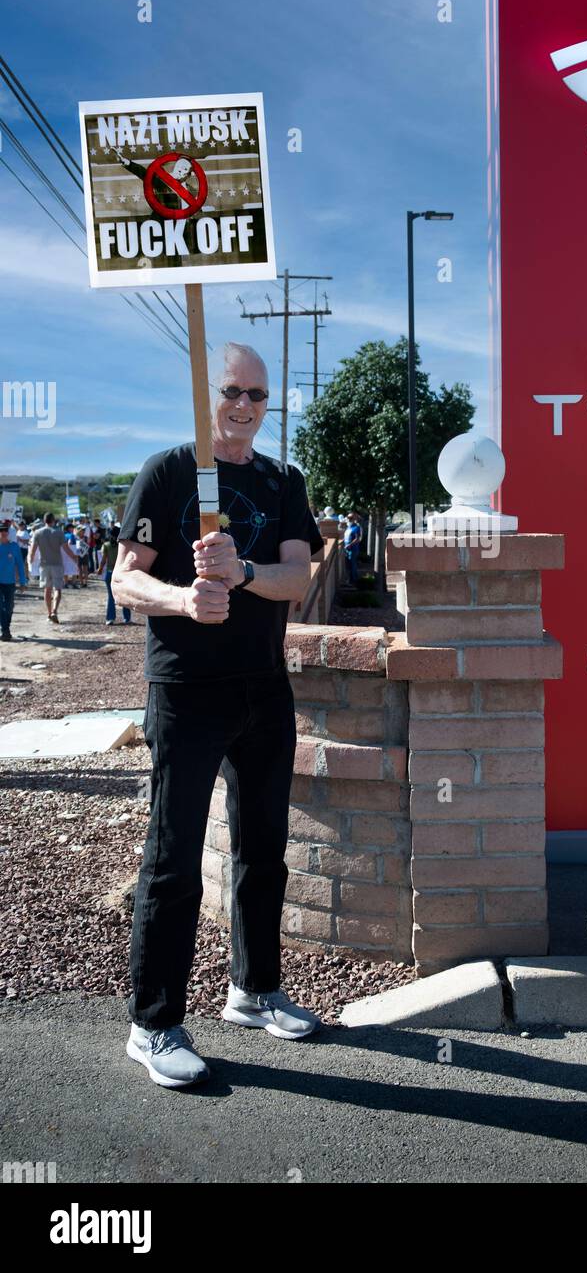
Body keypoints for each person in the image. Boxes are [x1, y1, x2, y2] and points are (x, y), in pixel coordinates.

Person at [113, 341, 325, 1088]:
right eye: (231, 391)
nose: (244, 406)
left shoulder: (281, 479)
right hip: (186, 689)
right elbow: (123, 580)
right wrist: (180, 597)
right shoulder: (169, 471)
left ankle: (253, 989)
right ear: (208, 396)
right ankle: (154, 1024)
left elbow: (298, 577)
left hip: (263, 685)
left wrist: (243, 574)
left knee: (263, 848)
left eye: (257, 396)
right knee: (173, 859)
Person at [27, 513, 78, 624]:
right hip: (57, 564)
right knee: (58, 589)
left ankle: (49, 613)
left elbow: (33, 550)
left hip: (44, 564)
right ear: (53, 520)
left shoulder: (37, 533)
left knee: (47, 589)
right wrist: (74, 558)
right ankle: (55, 611)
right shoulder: (59, 532)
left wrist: (30, 560)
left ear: (44, 521)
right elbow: (66, 549)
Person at [97, 524, 131, 625]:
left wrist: (99, 569)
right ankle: (127, 618)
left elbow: (103, 560)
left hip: (110, 572)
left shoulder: (106, 545)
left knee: (111, 597)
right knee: (124, 596)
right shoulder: (123, 545)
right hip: (122, 573)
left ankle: (110, 618)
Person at [0, 520, 27, 641]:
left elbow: (20, 565)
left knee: (9, 607)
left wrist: (23, 582)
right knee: (0, 607)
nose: (3, 532)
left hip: (10, 582)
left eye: (5, 530)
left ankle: (6, 628)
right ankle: (5, 630)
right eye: (1, 530)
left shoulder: (14, 546)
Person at [343, 511, 363, 585]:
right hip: (347, 549)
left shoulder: (356, 527)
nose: (348, 519)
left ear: (354, 518)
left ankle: (354, 581)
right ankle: (350, 580)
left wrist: (350, 545)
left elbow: (357, 538)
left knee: (353, 565)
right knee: (348, 565)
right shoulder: (348, 528)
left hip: (353, 549)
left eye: (350, 518)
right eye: (348, 517)